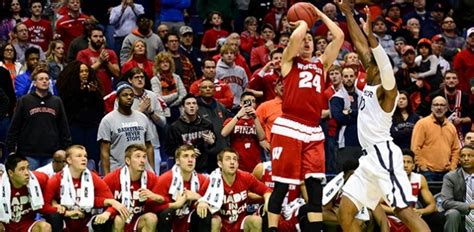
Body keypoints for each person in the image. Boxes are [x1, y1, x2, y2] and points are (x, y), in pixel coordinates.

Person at [335, 3, 430, 231]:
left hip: (383, 155)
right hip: (368, 159)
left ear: (377, 66)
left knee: (403, 211)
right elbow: (359, 45)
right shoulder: (370, 77)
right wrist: (348, 12)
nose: (362, 59)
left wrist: (371, 34)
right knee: (345, 214)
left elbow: (379, 57)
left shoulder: (387, 90)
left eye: (370, 59)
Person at [266, 2, 343, 231]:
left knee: (314, 184)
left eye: (310, 38)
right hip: (289, 125)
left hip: (313, 129)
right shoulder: (289, 62)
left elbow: (338, 36)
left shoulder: (322, 64)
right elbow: (294, 40)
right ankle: (271, 228)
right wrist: (303, 24)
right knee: (282, 185)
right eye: (304, 38)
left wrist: (319, 15)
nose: (307, 40)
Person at [42, 145, 126, 232]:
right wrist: (66, 213)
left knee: (104, 220)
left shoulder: (93, 177)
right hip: (64, 221)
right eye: (79, 156)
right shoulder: (56, 179)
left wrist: (107, 212)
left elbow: (112, 202)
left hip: (86, 221)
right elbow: (43, 206)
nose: (84, 159)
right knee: (54, 216)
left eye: (85, 156)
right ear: (69, 160)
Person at [6, 64, 71, 170]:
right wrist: (11, 150)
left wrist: (65, 149)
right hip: (28, 153)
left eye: (46, 79)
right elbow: (14, 127)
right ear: (34, 83)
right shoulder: (24, 101)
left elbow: (64, 128)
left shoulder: (57, 101)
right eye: (41, 79)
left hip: (52, 154)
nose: (44, 81)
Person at [196, 148, 272, 232]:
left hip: (240, 224)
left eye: (235, 159)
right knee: (214, 221)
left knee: (256, 221)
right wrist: (201, 202)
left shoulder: (246, 177)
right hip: (221, 224)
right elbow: (198, 198)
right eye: (228, 159)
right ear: (220, 164)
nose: (232, 162)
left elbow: (266, 191)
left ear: (238, 164)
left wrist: (268, 199)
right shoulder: (213, 180)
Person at [97, 82, 155, 175]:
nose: (129, 97)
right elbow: (104, 152)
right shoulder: (107, 120)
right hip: (118, 171)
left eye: (131, 95)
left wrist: (152, 171)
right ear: (117, 98)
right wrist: (107, 176)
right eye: (125, 95)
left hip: (141, 170)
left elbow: (149, 146)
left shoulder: (142, 117)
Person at [56, 61, 104, 171]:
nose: (84, 73)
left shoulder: (94, 89)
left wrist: (93, 94)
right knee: (76, 154)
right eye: (81, 71)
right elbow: (67, 109)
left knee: (92, 155)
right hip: (75, 127)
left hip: (92, 128)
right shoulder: (67, 90)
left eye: (86, 71)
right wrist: (79, 92)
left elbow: (100, 110)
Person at [382, 149, 444, 232]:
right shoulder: (388, 179)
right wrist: (396, 211)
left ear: (413, 166)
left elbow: (432, 205)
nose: (405, 165)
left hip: (411, 217)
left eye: (408, 162)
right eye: (402, 162)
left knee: (437, 218)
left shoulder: (419, 179)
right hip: (391, 218)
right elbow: (377, 204)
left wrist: (421, 211)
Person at [153, 145, 211, 232]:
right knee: (166, 213)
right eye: (185, 156)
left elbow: (213, 203)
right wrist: (174, 205)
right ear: (177, 161)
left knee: (204, 210)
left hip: (190, 222)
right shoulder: (165, 179)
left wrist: (200, 198)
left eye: (193, 156)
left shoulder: (202, 180)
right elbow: (150, 208)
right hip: (168, 223)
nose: (190, 160)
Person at [103, 144, 160, 232]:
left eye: (144, 157)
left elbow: (165, 199)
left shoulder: (151, 178)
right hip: (116, 220)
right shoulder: (112, 178)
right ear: (128, 160)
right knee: (119, 219)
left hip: (138, 220)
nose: (142, 161)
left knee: (151, 218)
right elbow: (100, 199)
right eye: (138, 157)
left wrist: (154, 196)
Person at [411, 96, 461, 181]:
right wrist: (422, 166)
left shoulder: (451, 127)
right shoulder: (422, 124)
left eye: (442, 105)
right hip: (428, 172)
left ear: (446, 109)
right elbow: (415, 147)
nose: (439, 107)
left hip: (447, 172)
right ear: (431, 108)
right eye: (436, 105)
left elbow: (456, 149)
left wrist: (452, 167)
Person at [252, 161, 309, 231]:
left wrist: (303, 183)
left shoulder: (300, 170)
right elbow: (247, 193)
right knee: (264, 211)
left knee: (306, 212)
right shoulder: (262, 168)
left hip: (291, 215)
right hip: (268, 213)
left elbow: (309, 201)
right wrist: (267, 196)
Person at [166, 94, 216, 173]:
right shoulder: (175, 127)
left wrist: (212, 143)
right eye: (188, 104)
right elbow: (169, 150)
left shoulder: (207, 124)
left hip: (204, 168)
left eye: (194, 103)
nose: (191, 106)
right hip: (183, 169)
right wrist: (187, 151)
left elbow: (213, 147)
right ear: (183, 107)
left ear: (197, 107)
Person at [0, 154, 51, 232]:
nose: (27, 173)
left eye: (27, 168)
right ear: (10, 173)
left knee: (45, 227)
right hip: (6, 225)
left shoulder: (37, 180)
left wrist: (53, 202)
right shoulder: (1, 186)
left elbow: (53, 185)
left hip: (27, 224)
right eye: (22, 169)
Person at [221, 92, 266, 172]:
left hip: (254, 163)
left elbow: (262, 137)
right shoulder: (231, 120)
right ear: (241, 103)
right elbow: (223, 133)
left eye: (253, 101)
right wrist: (238, 116)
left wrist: (255, 118)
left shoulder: (257, 121)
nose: (251, 103)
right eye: (247, 101)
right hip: (236, 162)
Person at [330, 66, 362, 172]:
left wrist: (350, 112)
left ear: (355, 77)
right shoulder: (336, 98)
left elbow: (367, 116)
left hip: (362, 142)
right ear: (342, 78)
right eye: (346, 76)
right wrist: (358, 115)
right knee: (345, 176)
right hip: (344, 144)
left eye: (351, 76)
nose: (349, 79)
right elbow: (339, 118)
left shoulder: (362, 97)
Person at [76, 25, 120, 94]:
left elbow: (117, 73)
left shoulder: (110, 53)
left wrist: (107, 62)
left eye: (101, 36)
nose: (98, 39)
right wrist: (99, 62)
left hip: (108, 92)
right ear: (89, 38)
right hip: (90, 92)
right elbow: (83, 74)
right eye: (95, 36)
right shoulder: (82, 54)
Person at [441, 145, 474, 232]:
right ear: (459, 159)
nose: (466, 159)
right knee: (453, 213)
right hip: (460, 215)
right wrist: (469, 206)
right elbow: (446, 202)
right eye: (463, 156)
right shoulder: (450, 177)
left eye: (470, 156)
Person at [150, 51, 187, 124]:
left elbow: (183, 95)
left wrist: (173, 104)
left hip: (179, 110)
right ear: (158, 65)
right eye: (162, 62)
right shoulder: (155, 79)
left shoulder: (176, 77)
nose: (165, 64)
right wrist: (175, 95)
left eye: (167, 62)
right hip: (164, 112)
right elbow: (159, 98)